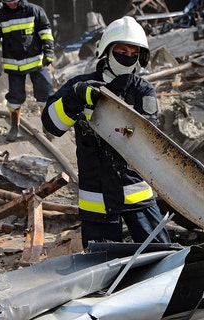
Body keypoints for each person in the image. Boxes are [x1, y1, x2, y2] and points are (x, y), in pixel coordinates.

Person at [41, 16, 171, 249]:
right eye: (122, 50)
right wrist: (75, 97)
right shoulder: (79, 85)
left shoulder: (142, 91)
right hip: (96, 199)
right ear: (107, 51)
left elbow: (147, 140)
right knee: (101, 267)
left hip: (136, 196)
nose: (128, 56)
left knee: (162, 255)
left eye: (134, 53)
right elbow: (50, 125)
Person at [0, 0, 55, 141]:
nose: (11, 4)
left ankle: (47, 126)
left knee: (45, 93)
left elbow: (45, 32)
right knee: (15, 98)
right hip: (13, 64)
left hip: (36, 61)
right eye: (8, 2)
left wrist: (48, 52)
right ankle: (14, 127)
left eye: (14, 1)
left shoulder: (35, 10)